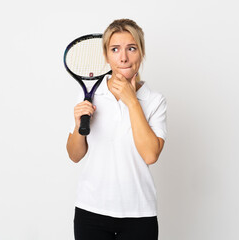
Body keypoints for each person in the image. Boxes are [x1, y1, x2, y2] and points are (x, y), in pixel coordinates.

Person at [66, 18, 167, 240]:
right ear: (106, 56)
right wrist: (77, 125)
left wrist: (132, 102)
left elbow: (150, 154)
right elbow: (74, 155)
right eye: (115, 49)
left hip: (140, 214)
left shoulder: (154, 100)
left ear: (141, 53)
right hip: (90, 211)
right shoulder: (89, 96)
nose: (123, 57)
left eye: (131, 48)